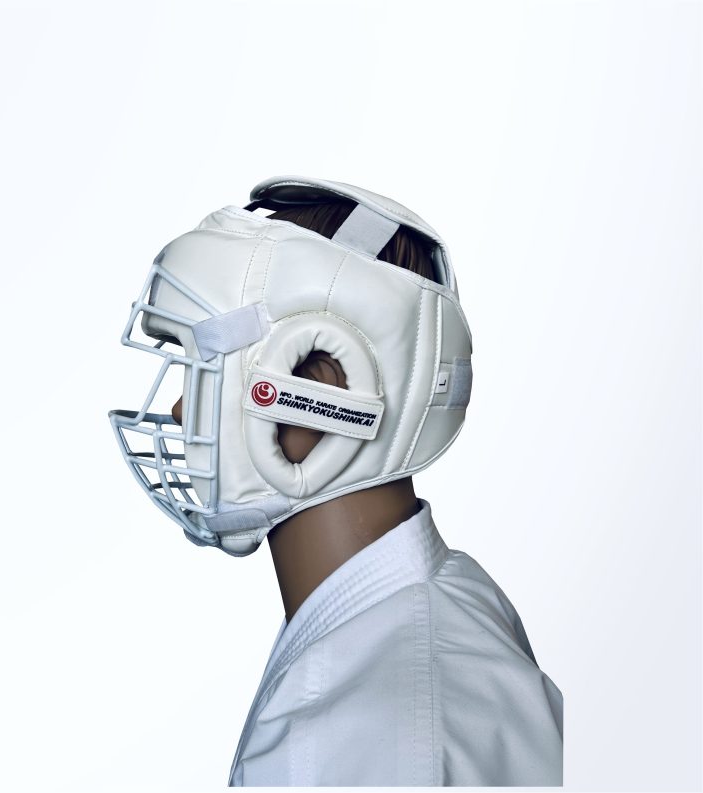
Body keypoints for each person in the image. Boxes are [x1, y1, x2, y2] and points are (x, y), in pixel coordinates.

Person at [111, 178, 564, 786]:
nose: (176, 410)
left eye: (202, 370)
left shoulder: (367, 732)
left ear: (323, 386)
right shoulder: (434, 612)